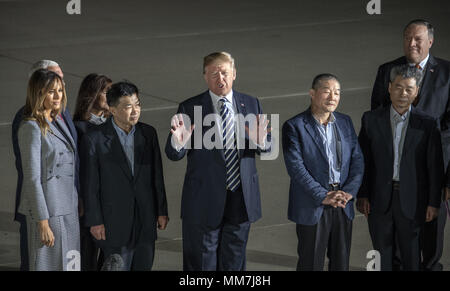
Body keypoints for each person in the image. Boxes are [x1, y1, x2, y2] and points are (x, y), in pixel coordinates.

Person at [165, 52, 270, 271]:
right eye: (214, 73)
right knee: (202, 265)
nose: (220, 78)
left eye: (224, 72)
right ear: (205, 76)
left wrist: (261, 142)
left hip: (240, 200)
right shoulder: (189, 107)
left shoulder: (251, 103)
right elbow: (173, 154)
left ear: (234, 74)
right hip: (203, 201)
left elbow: (267, 146)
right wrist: (179, 143)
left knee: (234, 264)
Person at [370, 19, 450, 270]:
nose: (411, 43)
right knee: (395, 230)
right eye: (407, 38)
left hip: (435, 167)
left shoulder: (448, 73)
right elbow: (377, 118)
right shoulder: (387, 70)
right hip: (396, 169)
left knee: (432, 229)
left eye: (417, 39)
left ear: (430, 41)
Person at [358, 64, 444, 271]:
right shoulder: (371, 120)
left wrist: (433, 203)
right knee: (380, 255)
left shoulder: (428, 124)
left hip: (413, 201)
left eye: (408, 89)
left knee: (412, 255)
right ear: (389, 88)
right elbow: (363, 161)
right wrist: (363, 194)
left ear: (416, 92)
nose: (402, 93)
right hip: (379, 200)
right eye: (398, 87)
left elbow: (434, 166)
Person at [81, 81, 169, 271]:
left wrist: (161, 210)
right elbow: (91, 185)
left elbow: (157, 176)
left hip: (145, 219)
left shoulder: (148, 134)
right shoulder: (94, 139)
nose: (135, 111)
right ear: (112, 109)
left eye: (137, 104)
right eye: (128, 106)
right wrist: (95, 221)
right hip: (114, 224)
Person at [282, 74, 364, 271]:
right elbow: (296, 168)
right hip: (313, 204)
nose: (332, 97)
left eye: (337, 93)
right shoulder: (295, 126)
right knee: (310, 264)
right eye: (327, 91)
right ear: (312, 93)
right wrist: (323, 195)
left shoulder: (345, 122)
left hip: (343, 204)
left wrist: (348, 192)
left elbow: (357, 160)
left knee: (341, 264)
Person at [11, 60, 79, 271]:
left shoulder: (59, 119)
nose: (58, 96)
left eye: (59, 90)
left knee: (72, 265)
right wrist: (42, 222)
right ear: (39, 93)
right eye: (51, 92)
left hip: (69, 210)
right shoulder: (30, 127)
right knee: (47, 266)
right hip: (48, 212)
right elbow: (32, 178)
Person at [73, 73, 112, 271]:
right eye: (106, 92)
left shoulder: (112, 126)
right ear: (92, 95)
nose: (111, 96)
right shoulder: (78, 129)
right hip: (86, 206)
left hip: (109, 205)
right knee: (85, 257)